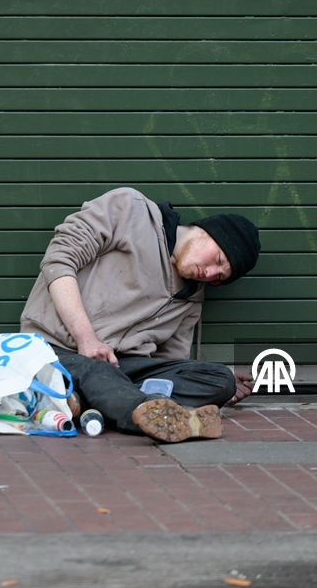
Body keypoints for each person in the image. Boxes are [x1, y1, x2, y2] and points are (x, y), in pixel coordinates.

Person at [20, 187, 261, 442]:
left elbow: (169, 362)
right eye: (218, 259)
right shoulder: (130, 210)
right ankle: (144, 414)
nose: (210, 273)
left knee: (221, 379)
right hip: (55, 349)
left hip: (121, 366)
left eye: (219, 277)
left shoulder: (190, 298)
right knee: (99, 373)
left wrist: (206, 381)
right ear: (208, 232)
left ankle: (84, 402)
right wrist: (86, 338)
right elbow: (58, 261)